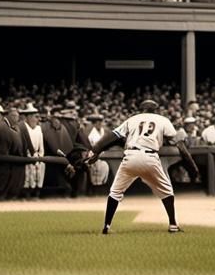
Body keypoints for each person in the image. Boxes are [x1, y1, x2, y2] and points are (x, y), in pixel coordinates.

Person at [81, 99, 200, 234]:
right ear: (156, 110)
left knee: (115, 192)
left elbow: (112, 136)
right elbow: (180, 146)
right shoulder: (162, 120)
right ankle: (173, 225)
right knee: (167, 192)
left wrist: (95, 151)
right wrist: (192, 166)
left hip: (131, 156)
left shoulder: (133, 119)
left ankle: (106, 226)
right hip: (150, 157)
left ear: (141, 110)